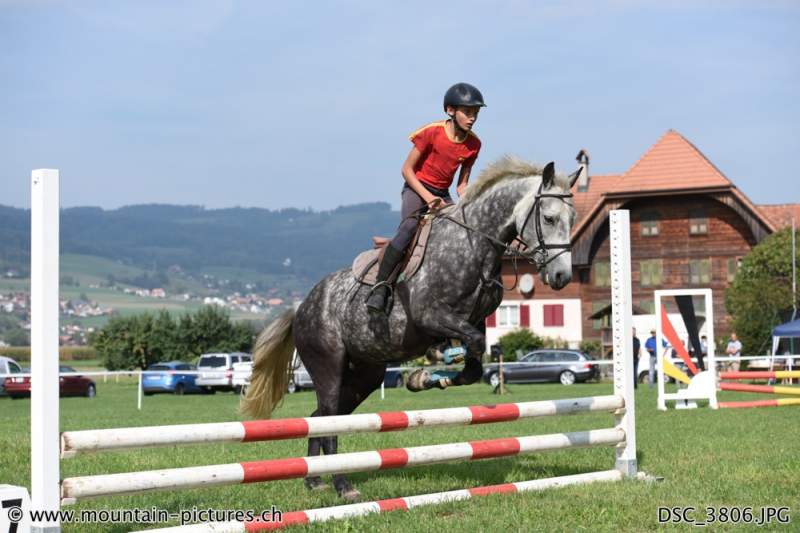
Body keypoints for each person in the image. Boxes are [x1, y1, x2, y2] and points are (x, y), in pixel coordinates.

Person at [366, 83, 485, 315]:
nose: (472, 118)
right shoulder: (432, 132)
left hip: (442, 195)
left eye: (476, 114)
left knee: (460, 235)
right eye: (468, 112)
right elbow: (406, 170)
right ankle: (380, 288)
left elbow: (462, 185)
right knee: (410, 227)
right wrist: (429, 197)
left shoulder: (474, 145)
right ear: (450, 110)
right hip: (416, 189)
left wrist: (470, 206)